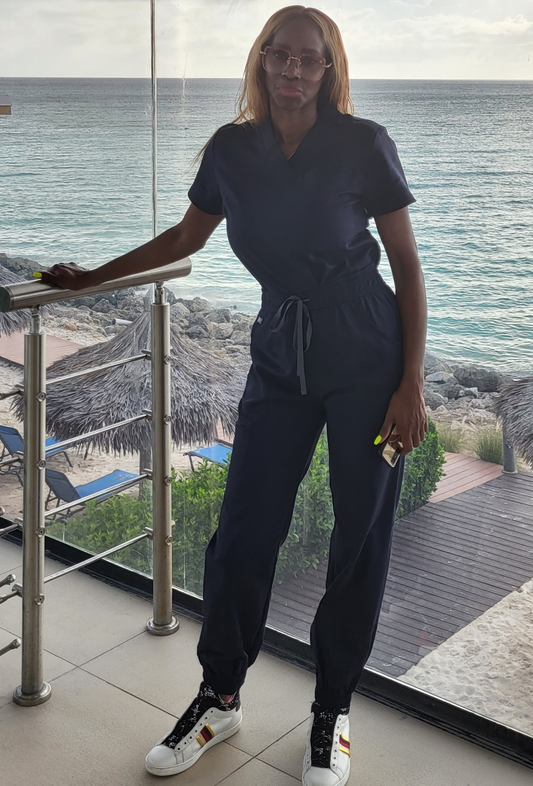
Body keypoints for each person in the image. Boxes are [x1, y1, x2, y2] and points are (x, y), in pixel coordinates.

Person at [42, 6, 427, 785]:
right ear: (259, 62)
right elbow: (185, 238)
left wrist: (411, 384)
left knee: (359, 537)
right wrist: (93, 277)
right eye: (277, 56)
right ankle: (219, 694)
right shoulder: (230, 150)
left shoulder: (362, 144)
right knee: (244, 530)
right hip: (278, 356)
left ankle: (331, 710)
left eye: (306, 59)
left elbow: (407, 266)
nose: (290, 70)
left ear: (328, 67)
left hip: (366, 351)